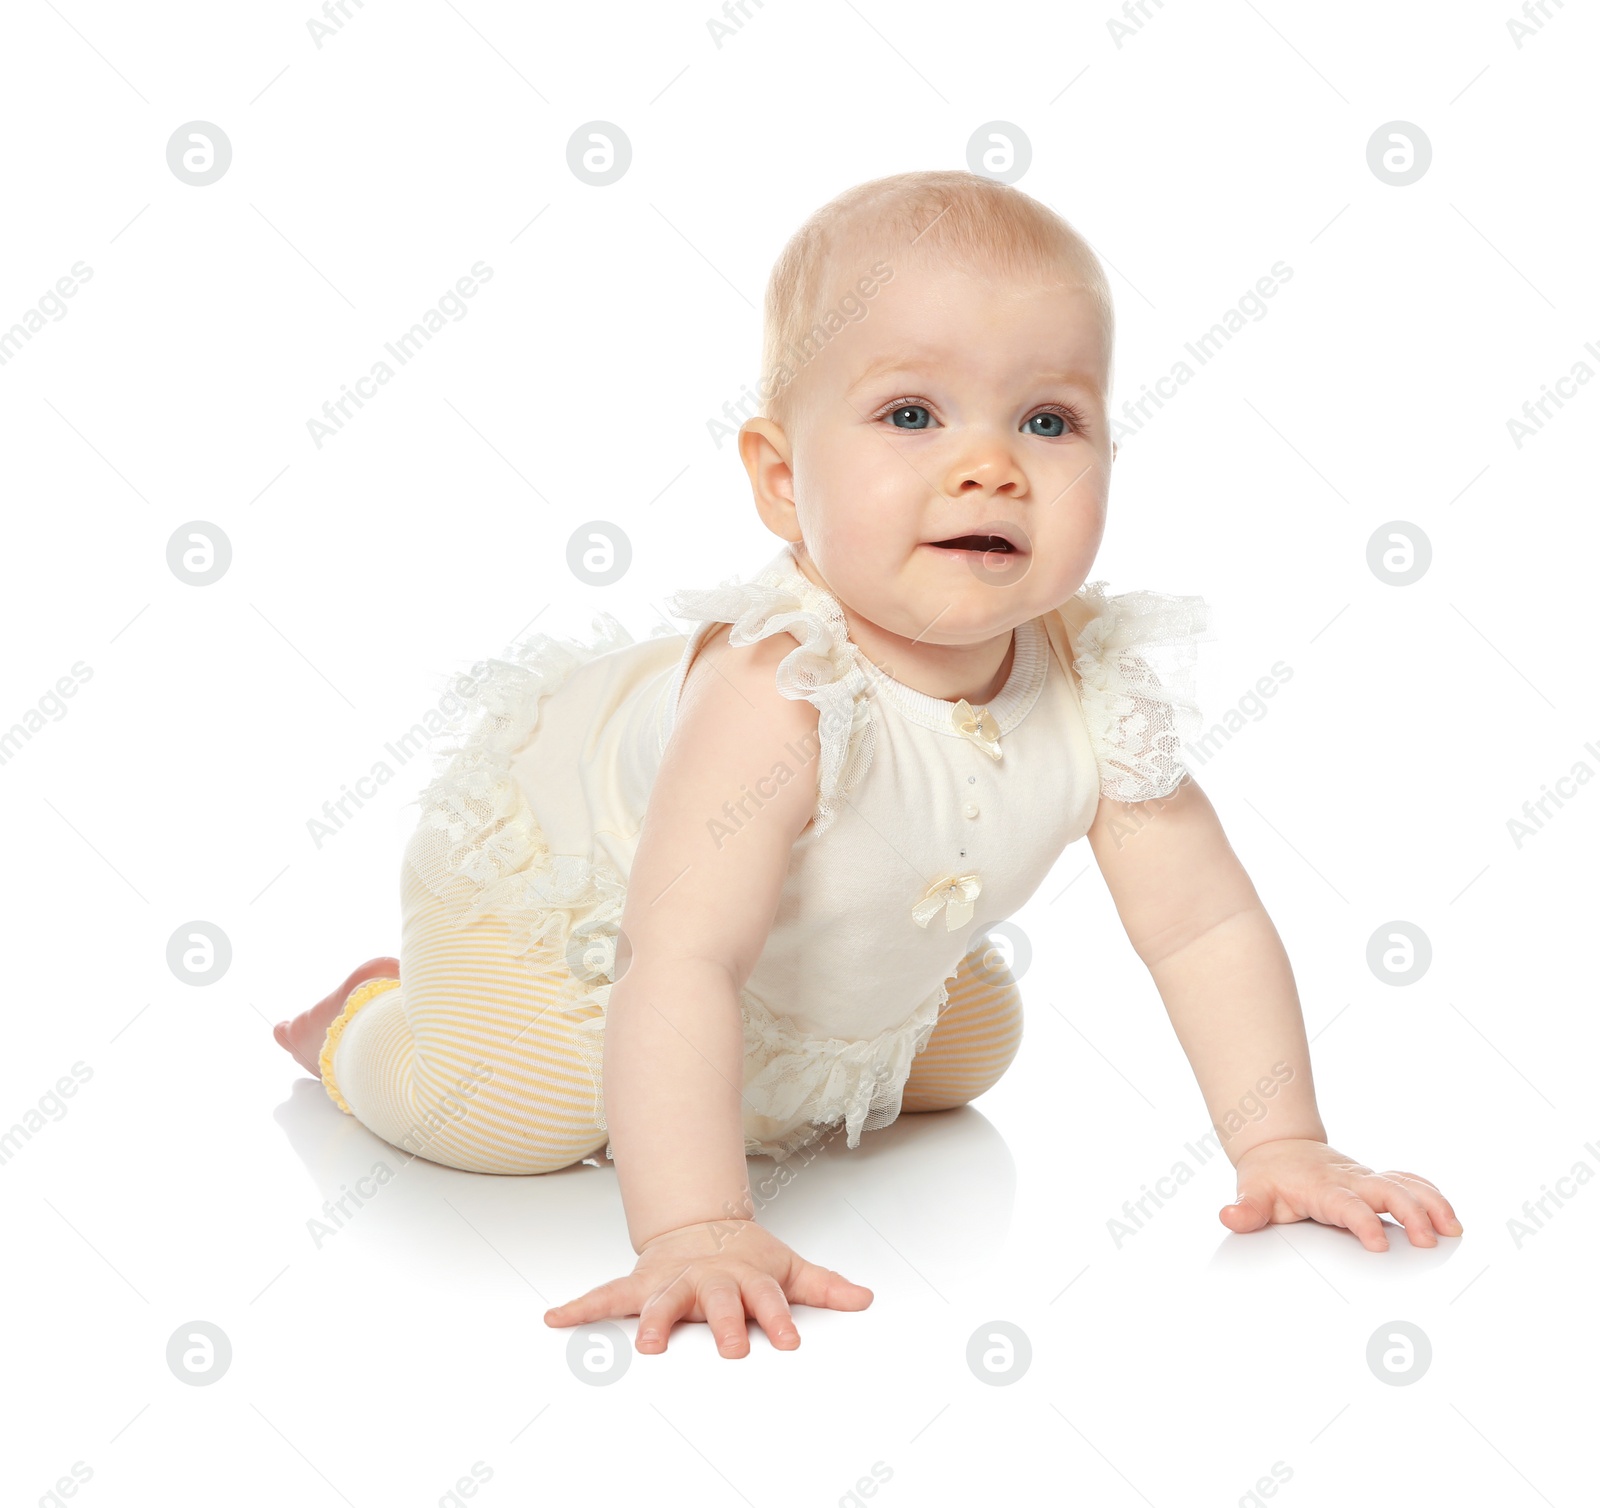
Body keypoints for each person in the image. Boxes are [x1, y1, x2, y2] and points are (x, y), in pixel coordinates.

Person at [273, 169, 1461, 1359]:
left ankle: (749, 1064)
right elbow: (679, 955)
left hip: (787, 953)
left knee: (972, 1049)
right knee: (513, 1104)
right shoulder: (778, 693)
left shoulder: (1093, 686)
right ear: (783, 479)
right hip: (578, 918)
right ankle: (371, 1020)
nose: (992, 464)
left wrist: (1283, 1143)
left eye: (1048, 420)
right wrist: (695, 1224)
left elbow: (1202, 926)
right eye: (911, 414)